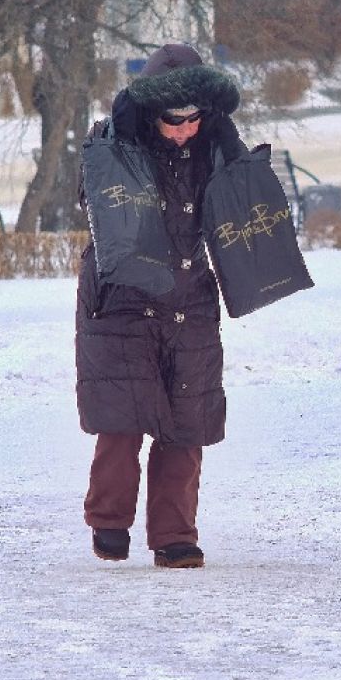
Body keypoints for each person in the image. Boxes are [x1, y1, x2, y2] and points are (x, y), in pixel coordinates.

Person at [74, 43, 248, 569]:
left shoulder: (216, 147)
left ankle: (175, 535)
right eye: (172, 121)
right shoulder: (112, 144)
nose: (181, 131)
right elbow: (92, 199)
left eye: (192, 120)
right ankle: (110, 523)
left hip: (189, 295)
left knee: (185, 421)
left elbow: (242, 208)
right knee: (122, 419)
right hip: (121, 298)